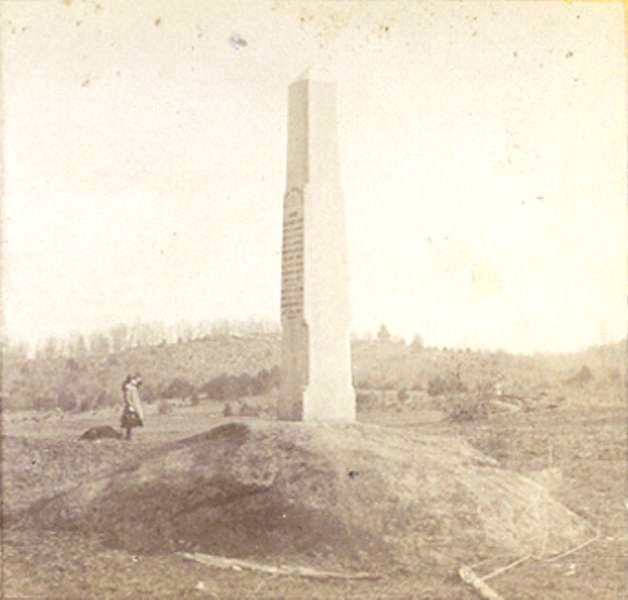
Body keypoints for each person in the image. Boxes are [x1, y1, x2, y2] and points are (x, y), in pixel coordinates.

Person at [121, 374, 144, 440]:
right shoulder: (129, 388)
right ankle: (129, 436)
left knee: (133, 422)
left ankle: (130, 436)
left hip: (134, 406)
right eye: (133, 380)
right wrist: (131, 406)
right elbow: (127, 398)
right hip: (131, 407)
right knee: (130, 422)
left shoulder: (133, 388)